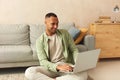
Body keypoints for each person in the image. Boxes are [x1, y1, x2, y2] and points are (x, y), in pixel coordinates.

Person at [25, 13, 88, 80]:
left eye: (57, 23)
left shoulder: (65, 33)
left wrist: (77, 63)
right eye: (53, 24)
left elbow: (74, 49)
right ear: (45, 22)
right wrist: (57, 67)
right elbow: (43, 61)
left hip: (66, 66)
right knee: (29, 72)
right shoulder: (40, 41)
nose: (56, 26)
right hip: (51, 68)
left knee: (83, 74)